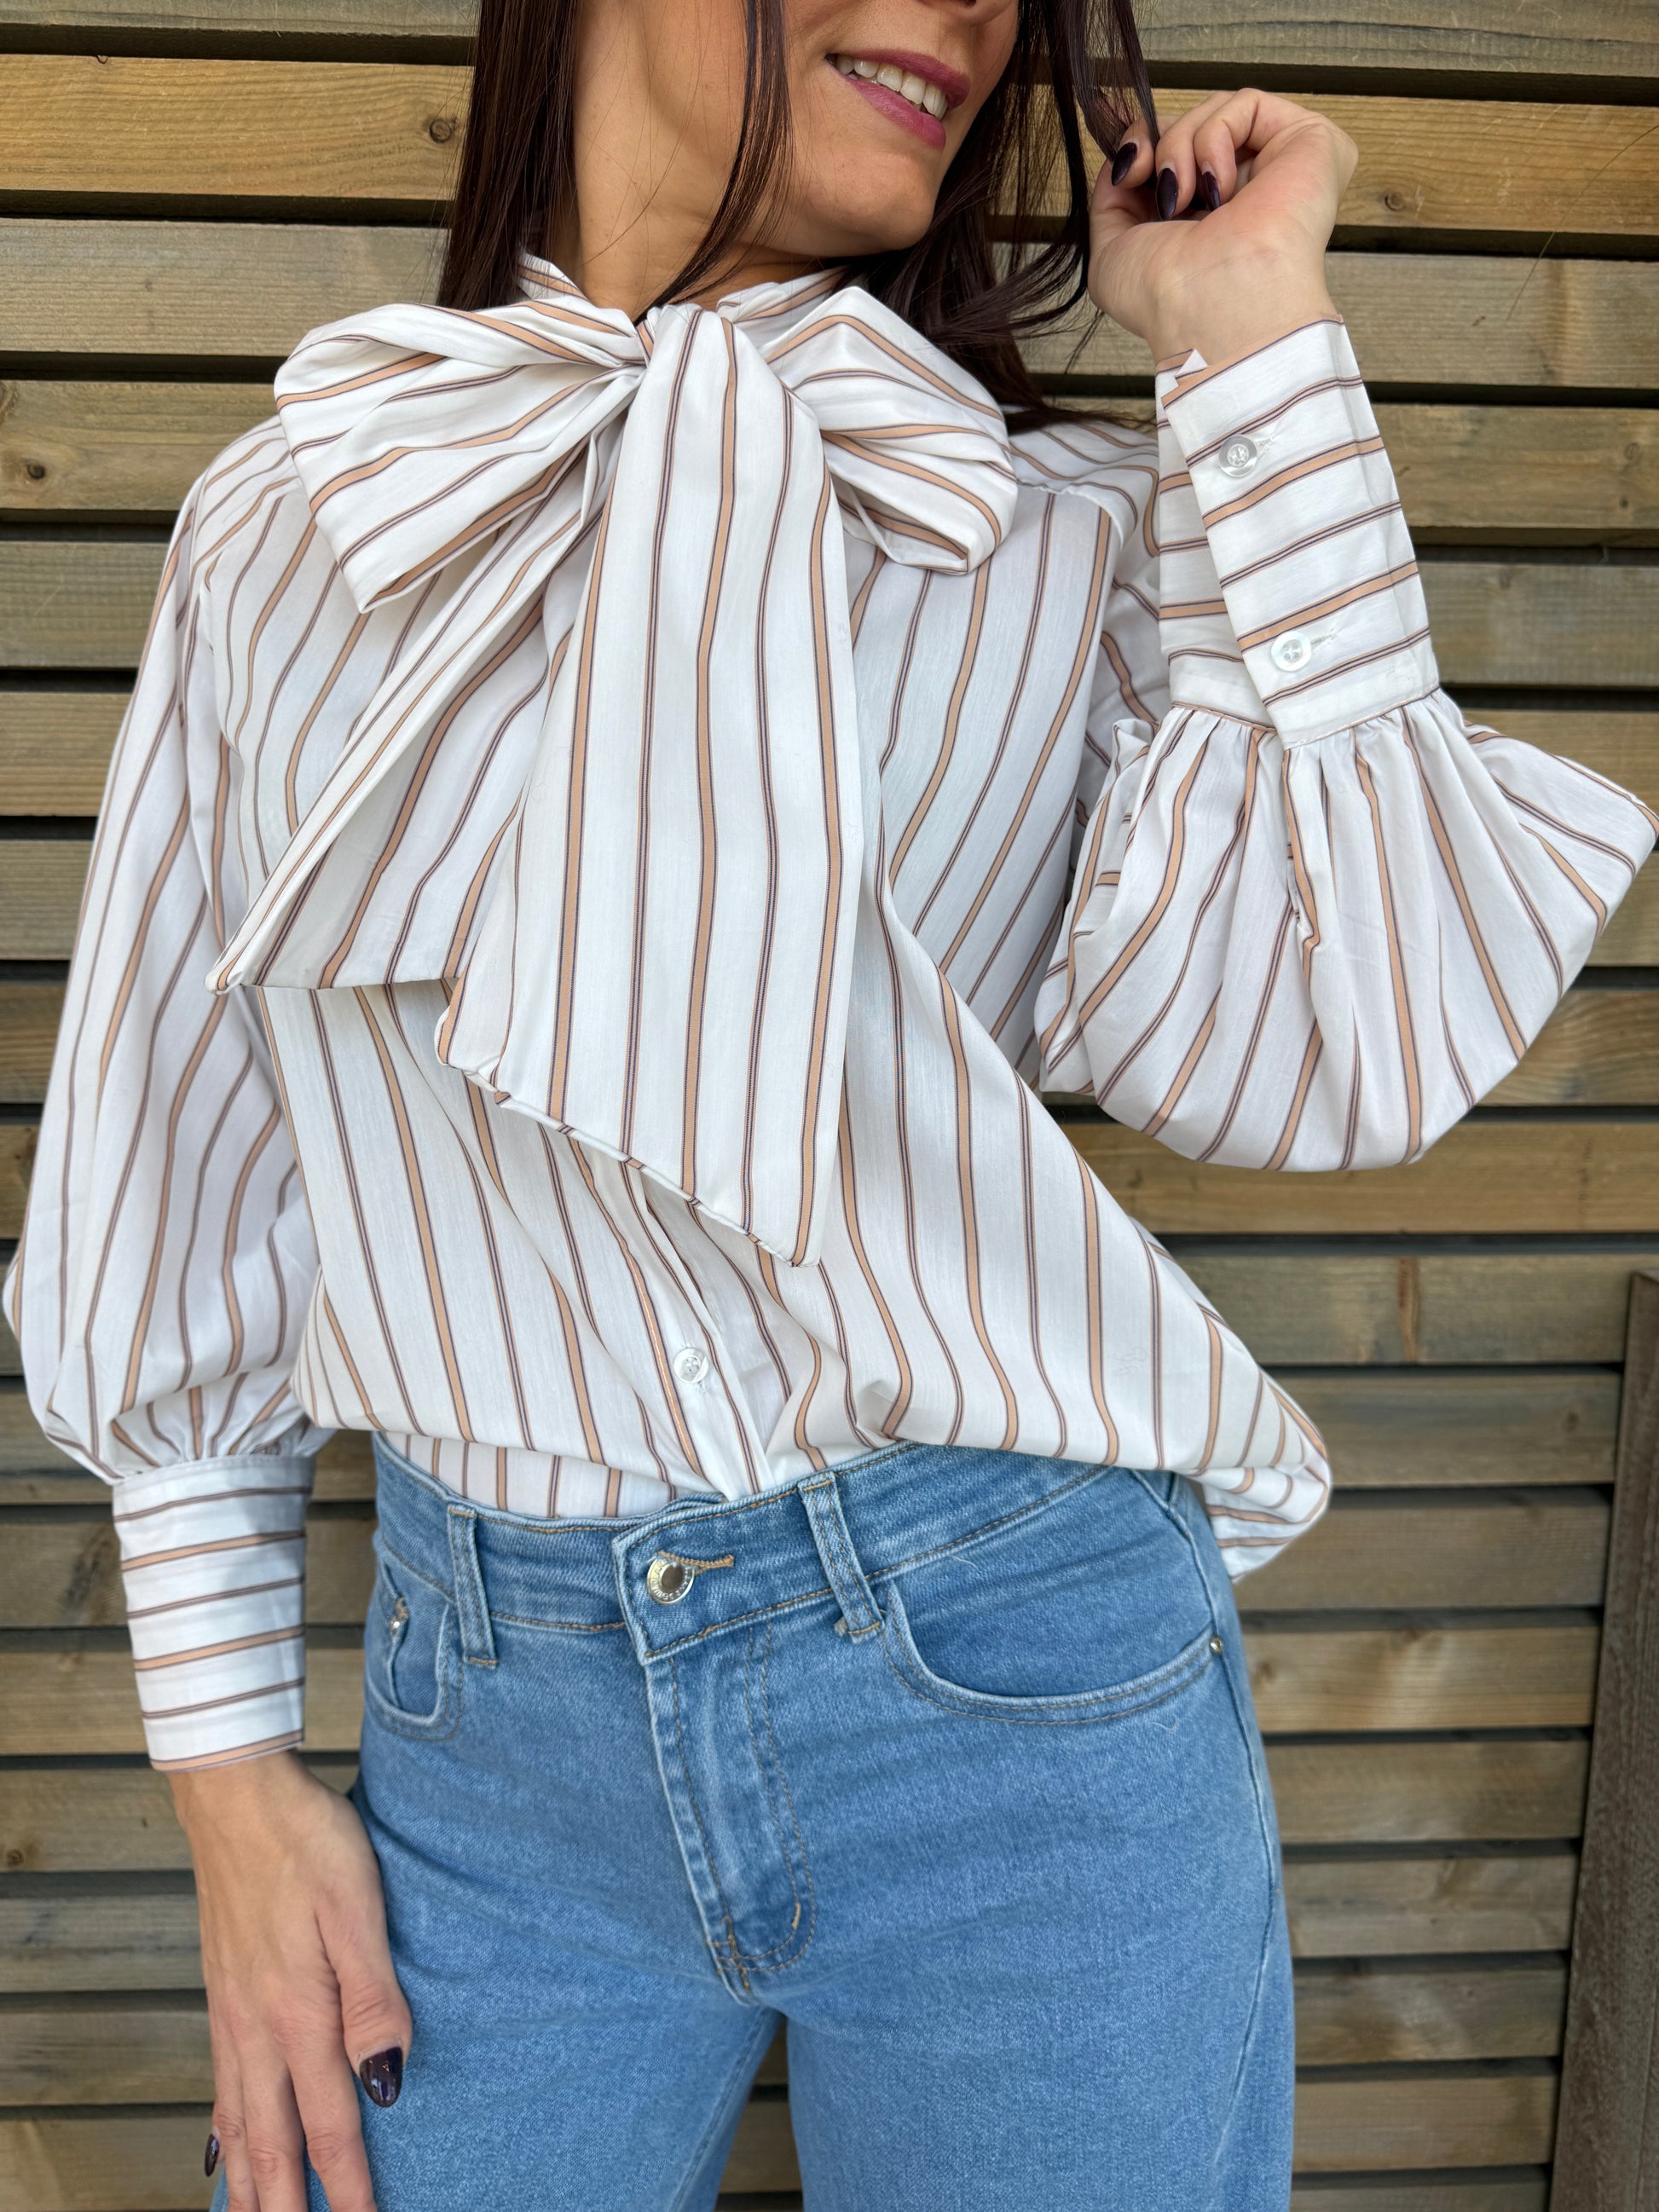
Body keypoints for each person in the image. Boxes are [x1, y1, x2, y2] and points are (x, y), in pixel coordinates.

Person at [9, 2, 1653, 2207]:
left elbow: (1332, 1042)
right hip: (490, 1737)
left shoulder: (1060, 529)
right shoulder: (305, 514)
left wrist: (1252, 344)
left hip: (1017, 1684)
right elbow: (182, 1147)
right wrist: (224, 1769)